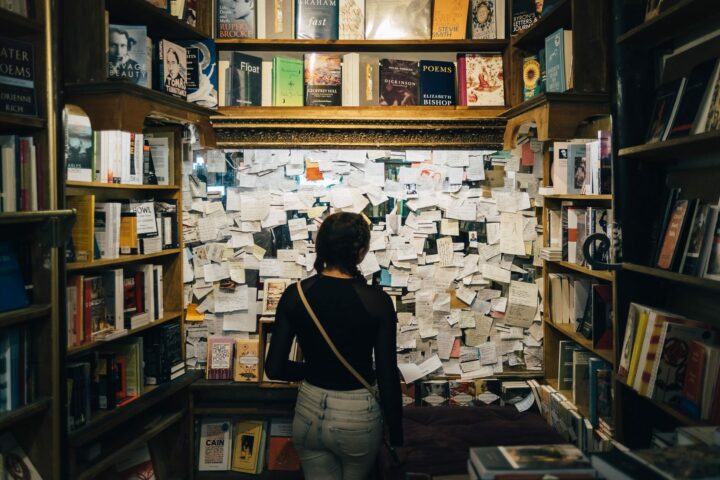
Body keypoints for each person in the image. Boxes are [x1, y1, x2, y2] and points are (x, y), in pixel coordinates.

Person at [264, 212, 403, 480]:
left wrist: (313, 369)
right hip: (356, 414)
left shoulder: (296, 295)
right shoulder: (377, 302)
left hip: (308, 410)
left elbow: (274, 368)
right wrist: (396, 436)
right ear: (361, 252)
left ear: (321, 247)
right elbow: (387, 374)